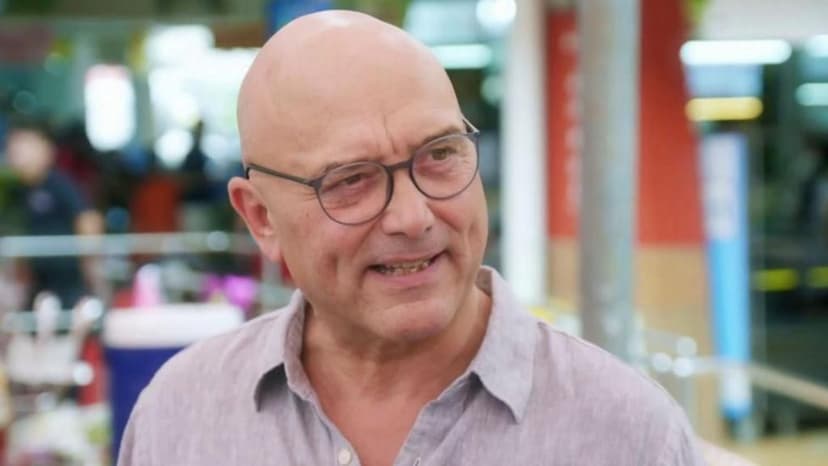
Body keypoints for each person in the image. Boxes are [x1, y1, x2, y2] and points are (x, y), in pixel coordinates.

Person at [118, 10, 703, 466]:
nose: (413, 216)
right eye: (350, 181)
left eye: (440, 155)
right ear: (261, 217)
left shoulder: (627, 434)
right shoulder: (181, 419)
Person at [3, 120, 104, 309]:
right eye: (13, 147)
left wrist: (90, 269)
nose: (17, 154)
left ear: (46, 149)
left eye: (24, 146)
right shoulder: (17, 191)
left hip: (69, 283)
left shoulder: (60, 185)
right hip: (38, 283)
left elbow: (89, 221)